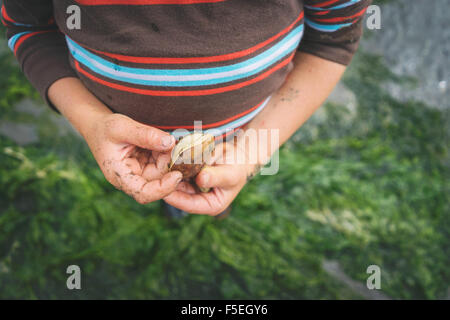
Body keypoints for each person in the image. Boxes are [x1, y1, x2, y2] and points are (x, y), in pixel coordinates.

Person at [2, 0, 372, 216]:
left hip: (245, 131)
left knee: (214, 178)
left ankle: (206, 190)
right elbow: (27, 27)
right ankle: (175, 201)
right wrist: (90, 122)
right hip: (113, 135)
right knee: (157, 184)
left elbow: (333, 39)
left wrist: (252, 153)